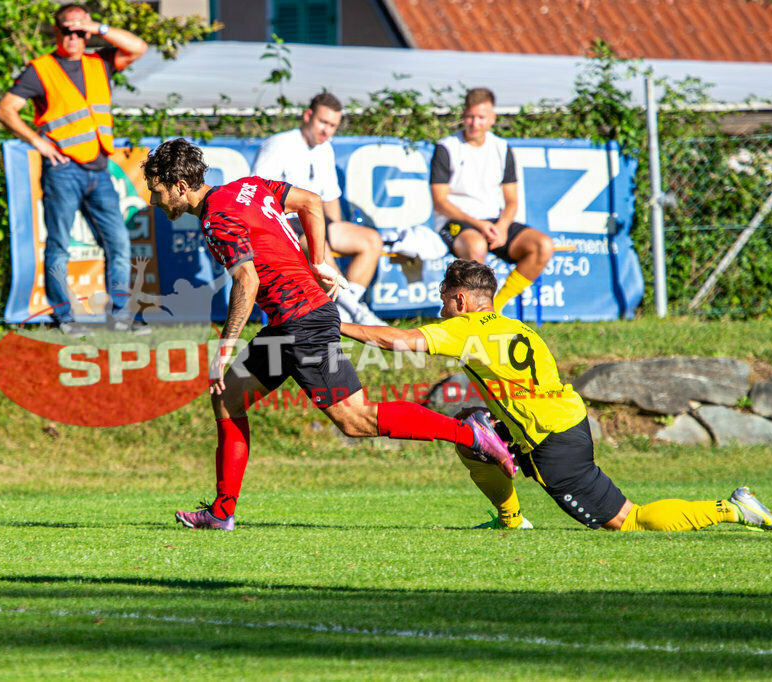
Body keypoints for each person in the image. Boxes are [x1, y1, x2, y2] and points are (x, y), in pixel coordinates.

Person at [142, 138, 515, 531]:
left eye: (157, 191)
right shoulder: (246, 187)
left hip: (303, 321)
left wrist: (224, 348)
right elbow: (311, 202)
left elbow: (247, 282)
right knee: (228, 398)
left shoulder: (217, 219)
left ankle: (467, 432)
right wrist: (317, 261)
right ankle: (221, 512)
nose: (154, 200)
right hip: (289, 322)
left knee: (355, 420)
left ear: (180, 186)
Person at [341, 258, 772, 533]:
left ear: (460, 299)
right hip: (557, 421)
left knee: (627, 519)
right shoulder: (515, 327)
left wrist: (336, 325)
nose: (441, 306)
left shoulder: (463, 327)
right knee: (472, 432)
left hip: (553, 441)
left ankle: (732, 510)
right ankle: (511, 520)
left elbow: (395, 340)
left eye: (444, 297)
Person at [0, 3, 148, 334]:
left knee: (119, 242)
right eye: (68, 29)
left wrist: (100, 28)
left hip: (100, 169)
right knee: (59, 246)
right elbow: (6, 109)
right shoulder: (41, 70)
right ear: (57, 31)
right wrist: (38, 142)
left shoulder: (100, 62)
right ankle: (65, 318)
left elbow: (138, 47)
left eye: (81, 30)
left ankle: (121, 316)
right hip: (63, 170)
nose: (75, 36)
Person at [253, 92, 385, 326]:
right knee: (319, 245)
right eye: (323, 122)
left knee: (371, 240)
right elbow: (259, 193)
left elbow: (331, 196)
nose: (327, 130)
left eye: (333, 125)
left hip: (315, 221)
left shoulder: (326, 149)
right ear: (308, 116)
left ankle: (344, 310)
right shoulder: (279, 144)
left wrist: (334, 228)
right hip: (283, 224)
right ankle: (359, 314)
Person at [430, 88, 554, 315]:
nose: (474, 123)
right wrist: (478, 224)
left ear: (493, 118)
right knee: (476, 248)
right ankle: (467, 319)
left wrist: (503, 226)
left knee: (542, 245)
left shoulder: (501, 148)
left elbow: (512, 201)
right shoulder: (446, 147)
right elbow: (440, 202)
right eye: (470, 116)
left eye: (481, 117)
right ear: (463, 115)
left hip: (493, 222)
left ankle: (495, 308)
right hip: (456, 221)